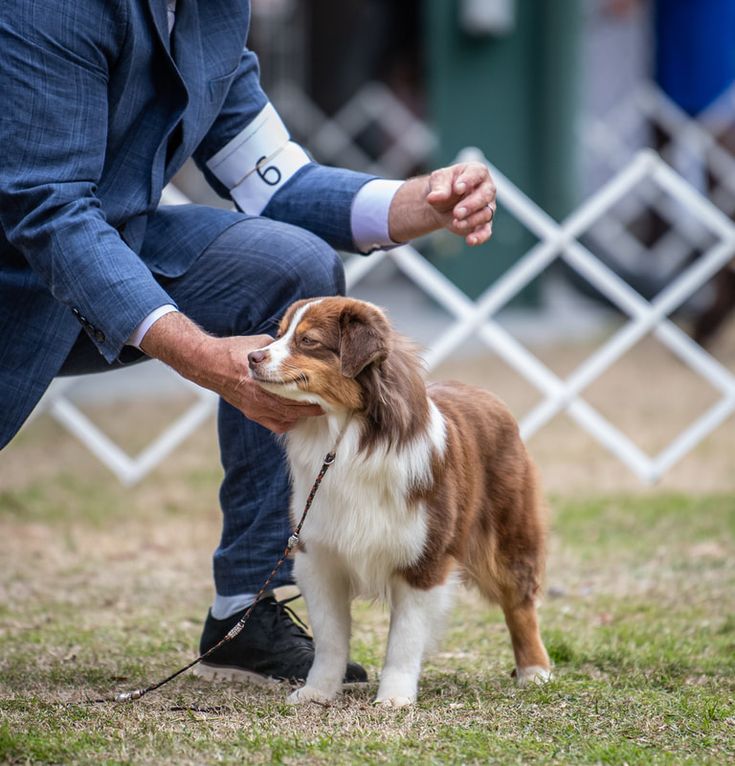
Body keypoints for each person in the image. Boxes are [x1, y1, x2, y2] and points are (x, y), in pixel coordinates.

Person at [0, 0, 496, 684]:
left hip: (110, 239)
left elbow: (275, 178)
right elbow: (49, 207)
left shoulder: (213, 11)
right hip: (22, 252)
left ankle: (245, 609)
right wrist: (202, 355)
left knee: (285, 266)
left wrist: (414, 204)